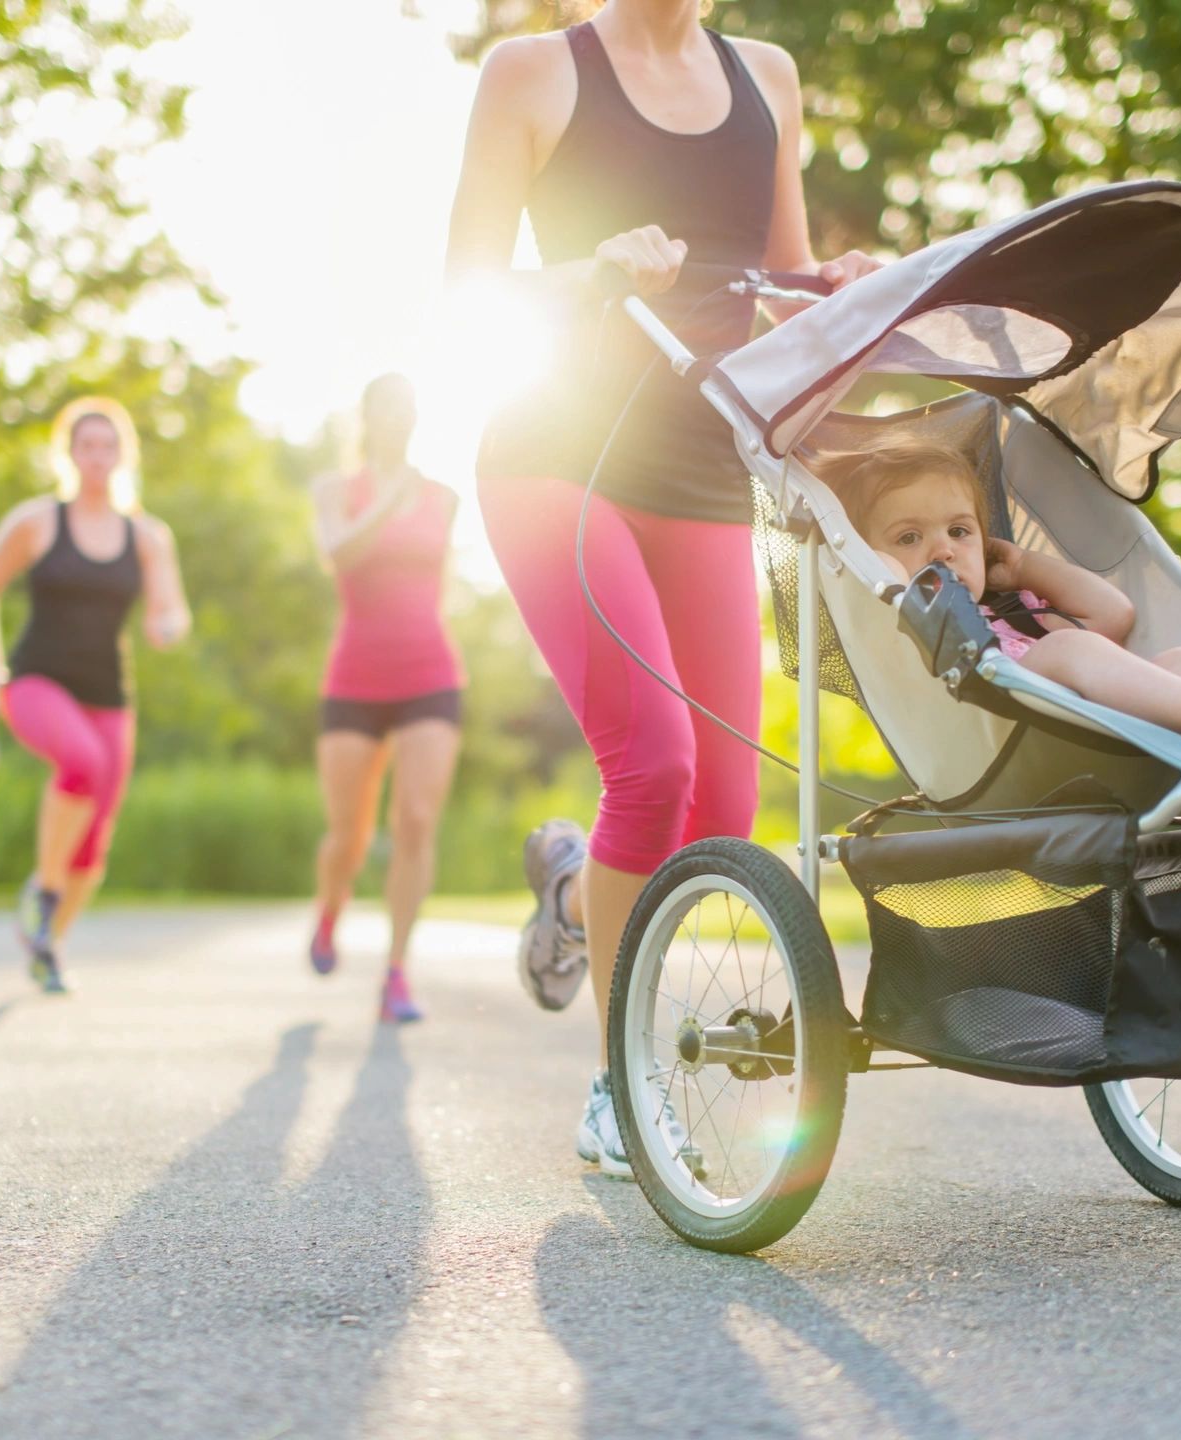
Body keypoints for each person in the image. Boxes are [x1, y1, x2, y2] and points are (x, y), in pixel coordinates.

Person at [444, 0, 881, 1176]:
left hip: (702, 467)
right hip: (559, 453)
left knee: (722, 806)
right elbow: (468, 284)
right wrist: (588, 269)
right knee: (657, 762)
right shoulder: (534, 73)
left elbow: (782, 287)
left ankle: (579, 885)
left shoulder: (769, 78)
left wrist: (834, 285)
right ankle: (620, 1092)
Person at [820, 438, 1181, 771]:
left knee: (1175, 663)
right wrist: (887, 568)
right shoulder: (904, 624)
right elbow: (884, 581)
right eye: (909, 537)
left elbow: (1114, 615)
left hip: (1092, 726)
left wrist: (1020, 567)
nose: (942, 548)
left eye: (960, 531)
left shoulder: (1011, 610)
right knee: (1072, 646)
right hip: (1006, 741)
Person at [0, 398, 190, 994]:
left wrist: (168, 626)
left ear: (123, 455)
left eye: (108, 446)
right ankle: (44, 893)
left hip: (109, 695)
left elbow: (170, 609)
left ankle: (50, 943)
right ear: (69, 454)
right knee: (82, 762)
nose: (97, 457)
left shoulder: (148, 535)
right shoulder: (38, 520)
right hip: (32, 682)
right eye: (86, 445)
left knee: (94, 845)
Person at [307, 374, 465, 1024]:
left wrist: (409, 498)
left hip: (430, 672)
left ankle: (396, 972)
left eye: (409, 404)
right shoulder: (335, 491)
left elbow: (441, 578)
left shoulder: (443, 496)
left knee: (417, 821)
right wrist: (384, 502)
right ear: (366, 416)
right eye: (387, 405)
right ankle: (329, 910)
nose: (399, 415)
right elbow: (335, 554)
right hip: (354, 679)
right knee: (349, 833)